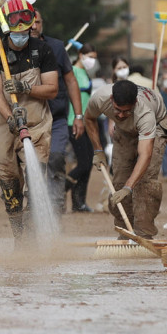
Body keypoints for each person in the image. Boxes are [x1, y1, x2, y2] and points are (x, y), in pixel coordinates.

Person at [0, 0, 59, 246]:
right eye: (17, 30)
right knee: (9, 184)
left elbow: (51, 89)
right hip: (5, 124)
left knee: (35, 188)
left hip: (37, 123)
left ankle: (33, 235)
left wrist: (25, 87)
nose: (22, 34)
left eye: (27, 29)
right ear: (7, 27)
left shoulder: (42, 50)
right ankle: (19, 237)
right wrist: (10, 118)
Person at [84, 81, 167, 239]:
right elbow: (89, 118)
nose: (122, 115)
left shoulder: (145, 114)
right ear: (111, 99)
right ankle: (125, 231)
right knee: (119, 181)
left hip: (156, 127)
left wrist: (129, 187)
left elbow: (145, 155)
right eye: (118, 110)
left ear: (135, 103)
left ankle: (144, 234)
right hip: (123, 130)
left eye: (127, 111)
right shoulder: (100, 98)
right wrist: (98, 150)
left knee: (144, 182)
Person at [30, 8, 85, 213]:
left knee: (55, 157)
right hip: (30, 119)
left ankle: (56, 209)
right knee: (32, 166)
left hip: (57, 118)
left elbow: (71, 81)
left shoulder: (56, 47)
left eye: (39, 22)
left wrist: (78, 116)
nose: (35, 26)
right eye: (31, 23)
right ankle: (32, 212)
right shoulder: (14, 50)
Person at [66, 44, 98, 212]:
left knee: (88, 163)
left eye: (94, 57)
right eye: (90, 56)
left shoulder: (85, 73)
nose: (92, 60)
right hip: (73, 121)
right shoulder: (72, 71)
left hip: (86, 123)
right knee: (84, 163)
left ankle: (79, 202)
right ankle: (62, 188)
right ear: (80, 55)